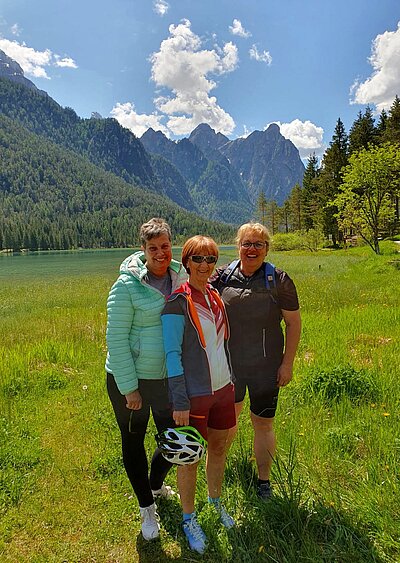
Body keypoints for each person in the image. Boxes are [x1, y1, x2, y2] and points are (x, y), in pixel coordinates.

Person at [105, 218, 187, 541]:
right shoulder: (125, 286)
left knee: (171, 441)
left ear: (171, 246)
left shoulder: (180, 277)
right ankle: (146, 508)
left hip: (165, 379)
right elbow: (116, 339)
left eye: (165, 246)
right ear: (143, 250)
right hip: (130, 380)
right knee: (134, 441)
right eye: (153, 248)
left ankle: (155, 485)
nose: (160, 253)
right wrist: (130, 389)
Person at [210, 222, 301, 500]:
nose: (252, 249)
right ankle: (220, 472)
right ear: (237, 246)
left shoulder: (280, 280)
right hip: (231, 366)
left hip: (266, 368)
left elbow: (293, 324)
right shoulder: (222, 277)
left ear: (266, 249)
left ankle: (264, 482)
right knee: (227, 422)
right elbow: (192, 287)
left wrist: (287, 364)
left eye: (258, 244)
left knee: (263, 424)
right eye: (246, 243)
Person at [161, 235, 236, 554]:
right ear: (186, 262)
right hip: (194, 396)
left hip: (223, 390)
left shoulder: (216, 297)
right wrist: (179, 400)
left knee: (219, 447)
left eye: (211, 259)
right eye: (198, 259)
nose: (205, 265)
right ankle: (189, 519)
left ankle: (215, 502)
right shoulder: (176, 303)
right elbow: (172, 355)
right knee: (189, 458)